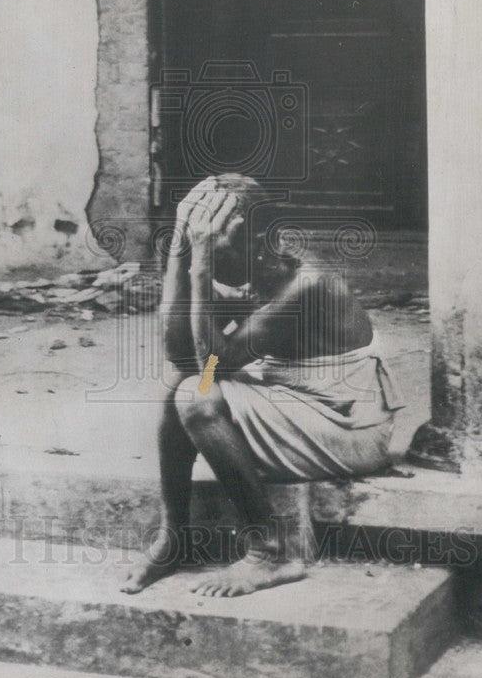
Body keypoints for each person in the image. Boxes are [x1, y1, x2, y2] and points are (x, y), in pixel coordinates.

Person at [121, 173, 404, 597]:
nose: (214, 260)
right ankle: (173, 535)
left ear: (255, 241)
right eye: (204, 244)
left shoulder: (308, 284)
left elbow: (212, 364)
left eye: (218, 246)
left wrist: (199, 265)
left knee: (198, 398)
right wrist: (180, 252)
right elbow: (180, 354)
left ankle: (271, 550)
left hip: (354, 434)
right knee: (178, 384)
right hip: (302, 412)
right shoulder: (256, 270)